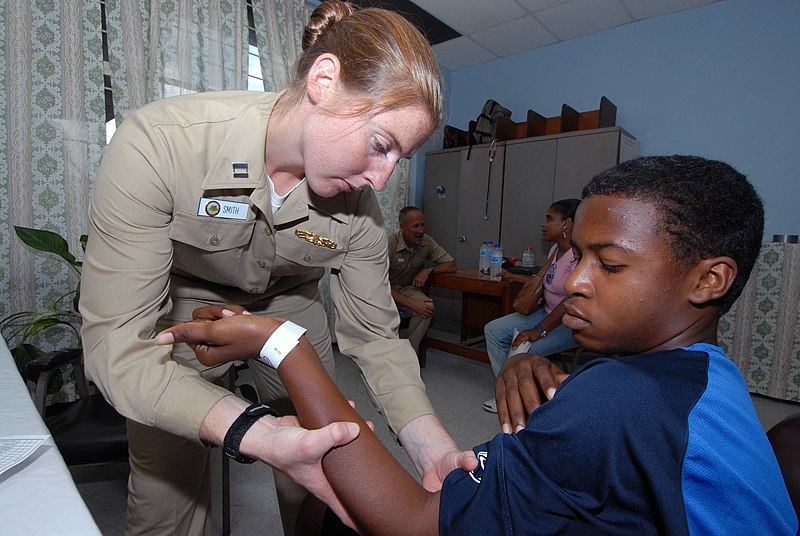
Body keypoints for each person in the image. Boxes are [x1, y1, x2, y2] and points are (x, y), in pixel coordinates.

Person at [157, 155, 798, 534]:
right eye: (576, 255)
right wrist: (525, 359)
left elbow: (408, 522)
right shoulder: (710, 379)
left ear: (709, 279)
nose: (573, 282)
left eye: (610, 264)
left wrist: (281, 343)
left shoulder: (617, 403)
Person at [79, 2, 475, 534]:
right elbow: (117, 348)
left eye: (396, 160)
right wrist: (255, 432)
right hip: (183, 302)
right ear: (325, 80)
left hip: (292, 310)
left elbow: (377, 338)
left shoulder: (359, 209)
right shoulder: (162, 144)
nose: (380, 181)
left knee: (326, 481)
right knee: (164, 505)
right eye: (380, 145)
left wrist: (433, 449)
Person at [482, 199, 580, 413]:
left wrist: (538, 330)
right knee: (493, 330)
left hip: (568, 323)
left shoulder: (578, 256)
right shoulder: (555, 249)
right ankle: (508, 390)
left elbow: (571, 300)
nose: (544, 224)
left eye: (549, 219)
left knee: (527, 348)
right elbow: (541, 281)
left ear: (567, 223)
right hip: (546, 313)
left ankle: (519, 399)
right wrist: (512, 275)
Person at [388, 206, 457, 355]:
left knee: (426, 306)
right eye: (415, 226)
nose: (421, 231)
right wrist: (412, 303)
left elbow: (451, 265)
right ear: (402, 226)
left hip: (406, 288)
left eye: (423, 225)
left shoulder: (427, 242)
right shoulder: (390, 243)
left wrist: (429, 269)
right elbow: (377, 282)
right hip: (384, 290)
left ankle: (410, 354)